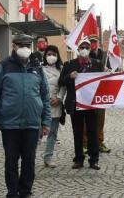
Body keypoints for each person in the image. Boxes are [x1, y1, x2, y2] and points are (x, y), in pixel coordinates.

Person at [0, 34, 51, 198]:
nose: (25, 48)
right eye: (21, 45)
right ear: (13, 46)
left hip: (32, 123)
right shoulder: (4, 66)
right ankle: (12, 192)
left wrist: (46, 122)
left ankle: (25, 192)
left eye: (28, 45)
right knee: (11, 161)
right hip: (10, 124)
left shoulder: (37, 67)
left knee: (29, 161)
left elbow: (45, 95)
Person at [60, 39, 105, 170]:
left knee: (93, 133)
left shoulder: (97, 64)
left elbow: (103, 81)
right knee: (78, 133)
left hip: (91, 104)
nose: (84, 49)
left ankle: (94, 159)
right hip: (75, 103)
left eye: (86, 47)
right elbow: (61, 81)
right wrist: (69, 77)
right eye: (82, 47)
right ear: (78, 49)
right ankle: (79, 158)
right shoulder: (69, 64)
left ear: (90, 49)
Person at [85, 36, 111, 153]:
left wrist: (108, 70)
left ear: (98, 43)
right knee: (86, 119)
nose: (93, 44)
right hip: (87, 92)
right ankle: (85, 143)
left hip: (101, 91)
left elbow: (111, 70)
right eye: (91, 42)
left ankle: (99, 142)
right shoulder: (84, 54)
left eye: (94, 42)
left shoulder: (105, 56)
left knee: (100, 119)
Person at [42, 45, 66, 168]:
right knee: (36, 133)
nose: (51, 56)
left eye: (54, 54)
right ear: (45, 56)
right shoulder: (40, 69)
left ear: (57, 56)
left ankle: (48, 157)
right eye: (49, 54)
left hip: (56, 104)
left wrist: (59, 98)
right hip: (41, 105)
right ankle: (28, 157)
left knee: (52, 133)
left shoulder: (61, 70)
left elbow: (63, 86)